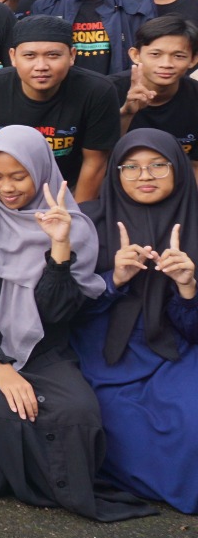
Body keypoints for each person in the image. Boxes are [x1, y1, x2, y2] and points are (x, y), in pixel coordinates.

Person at [0, 126, 150, 521]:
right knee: (5, 416)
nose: (6, 188)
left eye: (19, 176)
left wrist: (59, 246)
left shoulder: (72, 228)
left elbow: (56, 313)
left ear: (41, 172)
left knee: (78, 412)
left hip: (44, 351)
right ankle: (41, 484)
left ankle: (64, 487)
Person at [72, 130, 198, 514]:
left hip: (177, 352)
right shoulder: (89, 222)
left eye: (158, 165)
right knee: (121, 427)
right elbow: (61, 310)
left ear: (179, 169)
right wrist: (113, 280)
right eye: (131, 167)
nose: (145, 175)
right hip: (105, 353)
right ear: (116, 172)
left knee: (191, 424)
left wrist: (188, 288)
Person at [0, 14, 118, 201]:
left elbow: (95, 163)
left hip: (62, 186)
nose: (41, 66)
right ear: (13, 57)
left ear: (72, 55)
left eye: (53, 55)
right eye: (29, 56)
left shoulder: (97, 91)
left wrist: (76, 215)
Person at [113, 15, 198, 160]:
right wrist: (126, 114)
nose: (166, 64)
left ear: (193, 59)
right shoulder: (107, 91)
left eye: (178, 56)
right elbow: (100, 157)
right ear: (135, 55)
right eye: (155, 54)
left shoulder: (194, 96)